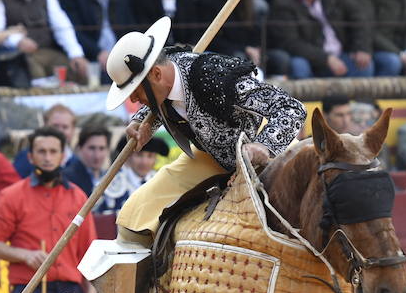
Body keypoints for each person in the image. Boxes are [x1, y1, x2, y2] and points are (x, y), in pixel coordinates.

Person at [105, 16, 307, 245]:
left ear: (157, 75)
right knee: (137, 215)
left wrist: (264, 146)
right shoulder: (164, 74)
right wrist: (143, 122)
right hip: (211, 157)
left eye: (135, 90)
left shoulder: (214, 78)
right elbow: (162, 100)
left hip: (266, 159)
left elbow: (291, 108)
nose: (132, 98)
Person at [0, 126, 97, 293]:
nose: (47, 158)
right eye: (41, 151)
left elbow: (89, 252)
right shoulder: (11, 196)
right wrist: (25, 255)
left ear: (62, 156)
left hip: (70, 290)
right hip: (29, 289)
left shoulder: (78, 197)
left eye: (53, 152)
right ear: (30, 157)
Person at [267, 0, 375, 79]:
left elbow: (358, 15)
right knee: (298, 66)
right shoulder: (283, 3)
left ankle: (361, 99)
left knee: (364, 64)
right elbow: (290, 43)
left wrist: (361, 47)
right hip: (310, 59)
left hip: (340, 53)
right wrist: (326, 58)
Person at [62, 126, 112, 196]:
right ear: (79, 148)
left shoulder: (111, 177)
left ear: (108, 150)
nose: (97, 155)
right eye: (92, 148)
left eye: (101, 148)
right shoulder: (67, 177)